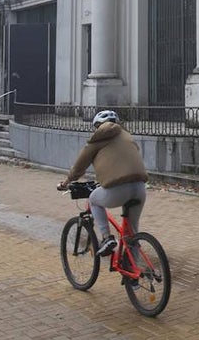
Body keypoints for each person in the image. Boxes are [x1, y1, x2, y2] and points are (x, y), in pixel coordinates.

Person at [57, 110, 148, 256]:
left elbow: (79, 167)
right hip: (140, 187)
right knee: (132, 235)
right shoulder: (127, 136)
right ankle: (133, 275)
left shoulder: (97, 139)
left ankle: (107, 238)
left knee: (94, 199)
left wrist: (66, 183)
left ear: (97, 126)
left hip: (118, 188)